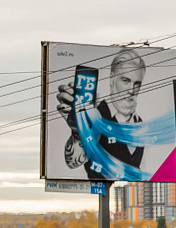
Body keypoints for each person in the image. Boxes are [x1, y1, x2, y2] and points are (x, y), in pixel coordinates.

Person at [56, 48, 146, 178]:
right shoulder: (96, 116)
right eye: (125, 81)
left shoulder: (139, 123)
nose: (131, 90)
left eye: (137, 84)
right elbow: (72, 162)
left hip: (130, 193)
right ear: (112, 80)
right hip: (102, 191)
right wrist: (78, 131)